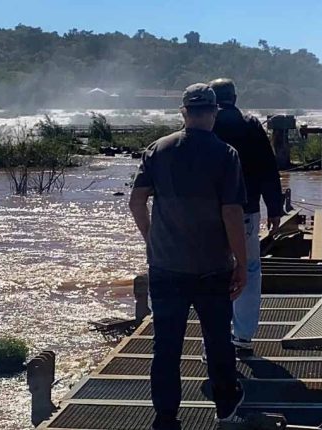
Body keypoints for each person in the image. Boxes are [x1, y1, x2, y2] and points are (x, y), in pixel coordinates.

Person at [129, 83, 247, 429]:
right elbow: (231, 213)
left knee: (166, 347)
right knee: (218, 342)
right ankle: (225, 408)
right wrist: (241, 263)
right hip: (212, 266)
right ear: (213, 113)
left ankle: (166, 417)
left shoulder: (157, 150)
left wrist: (152, 238)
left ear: (183, 113)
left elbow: (137, 201)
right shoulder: (226, 155)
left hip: (166, 266)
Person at [209, 78, 283, 351]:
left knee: (213, 272)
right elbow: (268, 169)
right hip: (246, 210)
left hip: (207, 214)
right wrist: (274, 209)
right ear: (235, 98)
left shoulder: (205, 125)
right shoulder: (250, 125)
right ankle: (242, 335)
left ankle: (215, 339)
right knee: (249, 269)